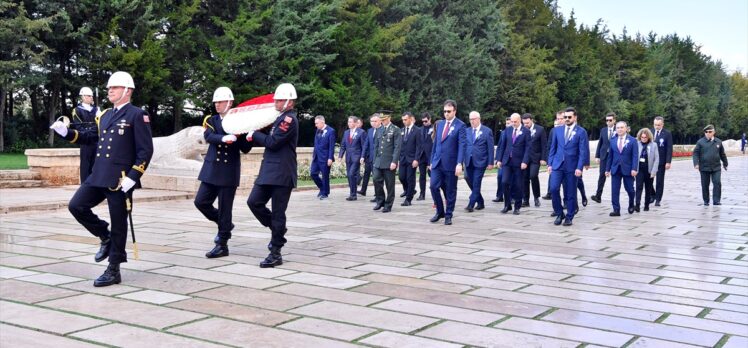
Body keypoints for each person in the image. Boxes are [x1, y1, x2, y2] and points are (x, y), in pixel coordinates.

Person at [49, 71, 153, 287]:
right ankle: (104, 236)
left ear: (127, 90)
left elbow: (145, 151)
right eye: (109, 88)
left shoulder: (137, 115)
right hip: (98, 174)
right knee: (76, 206)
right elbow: (91, 139)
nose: (109, 91)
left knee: (119, 223)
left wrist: (133, 177)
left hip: (120, 179)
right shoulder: (104, 115)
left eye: (114, 87)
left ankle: (114, 268)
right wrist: (67, 133)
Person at [245, 83, 299, 268]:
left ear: (289, 101)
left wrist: (255, 135)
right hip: (269, 171)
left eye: (279, 99)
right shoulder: (279, 118)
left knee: (278, 212)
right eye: (276, 99)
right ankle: (278, 229)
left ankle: (275, 252)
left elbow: (273, 142)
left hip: (282, 173)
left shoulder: (289, 120)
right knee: (254, 202)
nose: (275, 102)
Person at [196, 87, 252, 258]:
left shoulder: (240, 122)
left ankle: (222, 243)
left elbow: (246, 149)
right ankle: (224, 224)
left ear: (229, 102)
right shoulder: (212, 120)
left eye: (220, 102)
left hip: (228, 171)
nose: (217, 105)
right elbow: (208, 137)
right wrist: (223, 138)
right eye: (216, 102)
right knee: (201, 202)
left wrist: (249, 136)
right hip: (212, 169)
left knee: (225, 208)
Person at [547, 107, 589, 226]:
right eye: (565, 117)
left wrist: (579, 167)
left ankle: (569, 216)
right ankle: (559, 213)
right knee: (554, 189)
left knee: (570, 192)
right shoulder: (557, 131)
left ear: (575, 117)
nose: (566, 119)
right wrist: (550, 163)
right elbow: (553, 148)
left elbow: (582, 151)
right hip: (557, 164)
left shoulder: (581, 132)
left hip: (572, 166)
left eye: (569, 117)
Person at [429, 99, 466, 225]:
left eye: (449, 111)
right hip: (437, 162)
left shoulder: (460, 125)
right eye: (444, 111)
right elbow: (436, 143)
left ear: (454, 111)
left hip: (451, 163)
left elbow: (462, 146)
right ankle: (440, 211)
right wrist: (432, 160)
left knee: (450, 190)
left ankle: (448, 214)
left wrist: (459, 163)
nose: (446, 113)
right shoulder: (440, 124)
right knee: (433, 186)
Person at [496, 113, 531, 215]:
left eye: (515, 122)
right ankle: (507, 205)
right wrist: (499, 159)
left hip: (519, 162)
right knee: (504, 182)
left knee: (518, 185)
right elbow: (502, 145)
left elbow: (528, 148)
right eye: (512, 121)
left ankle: (517, 206)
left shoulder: (526, 131)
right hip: (507, 161)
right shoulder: (508, 130)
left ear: (519, 120)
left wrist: (525, 161)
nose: (513, 123)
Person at [463, 111, 494, 212]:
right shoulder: (466, 131)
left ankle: (471, 204)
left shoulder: (487, 131)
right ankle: (480, 201)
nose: (472, 121)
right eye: (470, 119)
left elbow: (490, 148)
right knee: (467, 178)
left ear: (479, 119)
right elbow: (464, 146)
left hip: (480, 161)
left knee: (476, 182)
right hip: (468, 161)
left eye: (474, 119)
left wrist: (490, 162)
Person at [605, 121, 638, 216]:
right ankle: (616, 209)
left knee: (630, 189)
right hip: (615, 168)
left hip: (628, 169)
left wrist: (634, 168)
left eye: (621, 127)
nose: (619, 129)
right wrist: (607, 169)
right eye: (618, 128)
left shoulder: (632, 140)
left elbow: (635, 156)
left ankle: (631, 203)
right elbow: (610, 156)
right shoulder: (613, 140)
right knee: (614, 190)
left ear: (626, 129)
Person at [70, 87, 101, 183]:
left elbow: (100, 125)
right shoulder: (77, 110)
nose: (91, 97)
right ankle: (85, 186)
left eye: (92, 96)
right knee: (85, 165)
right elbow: (79, 127)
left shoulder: (96, 109)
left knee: (96, 164)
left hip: (96, 140)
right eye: (89, 96)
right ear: (83, 97)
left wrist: (100, 116)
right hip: (85, 141)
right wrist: (91, 131)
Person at [372, 111, 401, 213]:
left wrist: (394, 161)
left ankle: (388, 204)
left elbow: (397, 147)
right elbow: (376, 145)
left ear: (389, 118)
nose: (383, 121)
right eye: (381, 119)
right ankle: (380, 200)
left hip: (389, 162)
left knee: (390, 184)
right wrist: (375, 159)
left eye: (384, 119)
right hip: (379, 161)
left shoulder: (395, 129)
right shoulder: (379, 130)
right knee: (376, 179)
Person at [693, 125, 728, 206]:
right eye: (706, 132)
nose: (708, 133)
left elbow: (722, 154)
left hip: (716, 167)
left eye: (710, 132)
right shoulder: (700, 142)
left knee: (717, 183)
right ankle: (706, 200)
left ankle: (716, 201)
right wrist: (696, 163)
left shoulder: (718, 142)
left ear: (714, 132)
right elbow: (695, 153)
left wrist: (725, 163)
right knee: (705, 184)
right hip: (704, 167)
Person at [520, 113, 547, 207]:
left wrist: (543, 158)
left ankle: (536, 197)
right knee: (524, 179)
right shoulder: (521, 130)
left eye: (527, 123)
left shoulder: (540, 129)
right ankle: (525, 200)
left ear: (531, 120)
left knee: (533, 176)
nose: (526, 125)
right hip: (524, 159)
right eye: (524, 123)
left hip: (536, 158)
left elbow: (544, 145)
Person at [339, 116, 366, 201]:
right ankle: (353, 194)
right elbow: (343, 145)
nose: (349, 123)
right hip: (348, 157)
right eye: (348, 122)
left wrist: (362, 156)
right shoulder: (346, 132)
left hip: (357, 157)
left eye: (351, 122)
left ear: (355, 123)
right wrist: (340, 155)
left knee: (351, 174)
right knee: (350, 175)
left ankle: (353, 194)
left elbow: (364, 146)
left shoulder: (361, 132)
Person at [591, 112, 616, 204]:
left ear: (614, 120)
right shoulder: (603, 130)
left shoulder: (618, 130)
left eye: (610, 120)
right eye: (607, 120)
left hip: (614, 156)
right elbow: (600, 143)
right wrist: (597, 156)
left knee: (616, 175)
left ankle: (615, 197)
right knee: (602, 175)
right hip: (604, 156)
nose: (608, 122)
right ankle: (598, 196)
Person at [398, 112, 422, 206]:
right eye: (403, 120)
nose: (404, 121)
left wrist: (416, 159)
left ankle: (408, 199)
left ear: (411, 119)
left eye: (405, 119)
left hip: (412, 159)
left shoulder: (417, 130)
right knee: (401, 177)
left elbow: (419, 146)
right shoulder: (402, 130)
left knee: (410, 178)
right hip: (403, 158)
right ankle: (411, 190)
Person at [310, 115, 335, 199]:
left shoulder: (331, 131)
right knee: (313, 173)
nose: (315, 125)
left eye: (317, 123)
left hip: (325, 157)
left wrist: (330, 158)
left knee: (325, 175)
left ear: (322, 122)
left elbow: (331, 146)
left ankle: (325, 193)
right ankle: (322, 188)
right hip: (316, 157)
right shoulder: (318, 130)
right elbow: (316, 144)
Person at [634, 128, 658, 212]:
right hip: (639, 169)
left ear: (648, 137)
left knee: (648, 188)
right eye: (642, 137)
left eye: (645, 137)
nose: (643, 139)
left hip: (649, 170)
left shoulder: (654, 145)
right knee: (638, 187)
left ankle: (646, 205)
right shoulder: (637, 144)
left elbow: (656, 159)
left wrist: (654, 171)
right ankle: (637, 205)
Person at [543, 111, 565, 200]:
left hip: (568, 162)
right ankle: (556, 208)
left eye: (561, 119)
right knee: (554, 186)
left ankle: (569, 203)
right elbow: (550, 146)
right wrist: (549, 161)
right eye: (558, 119)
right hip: (556, 161)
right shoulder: (554, 131)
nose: (560, 121)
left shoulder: (573, 130)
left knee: (568, 186)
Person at [651, 116, 673, 206]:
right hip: (650, 161)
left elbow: (669, 148)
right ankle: (652, 195)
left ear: (662, 124)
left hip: (661, 161)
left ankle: (658, 199)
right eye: (655, 125)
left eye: (659, 125)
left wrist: (668, 162)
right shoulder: (650, 132)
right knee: (648, 180)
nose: (657, 126)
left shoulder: (667, 134)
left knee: (659, 181)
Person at [359, 114, 381, 198]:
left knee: (377, 177)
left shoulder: (383, 130)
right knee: (367, 174)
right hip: (369, 158)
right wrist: (362, 156)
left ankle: (378, 195)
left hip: (378, 158)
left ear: (380, 121)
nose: (373, 123)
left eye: (375, 121)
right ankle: (364, 190)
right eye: (372, 121)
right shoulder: (370, 131)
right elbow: (366, 144)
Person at [492, 117, 511, 203]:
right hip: (503, 159)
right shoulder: (503, 133)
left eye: (509, 123)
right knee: (500, 176)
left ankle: (512, 196)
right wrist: (497, 159)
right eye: (507, 123)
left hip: (513, 159)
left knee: (512, 179)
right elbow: (499, 146)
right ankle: (499, 196)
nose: (508, 125)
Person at [417, 112, 433, 201]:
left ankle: (435, 192)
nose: (424, 123)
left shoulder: (434, 128)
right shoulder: (420, 129)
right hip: (422, 155)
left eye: (426, 121)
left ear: (430, 119)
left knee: (432, 175)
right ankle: (422, 194)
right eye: (422, 121)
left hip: (430, 155)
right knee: (422, 175)